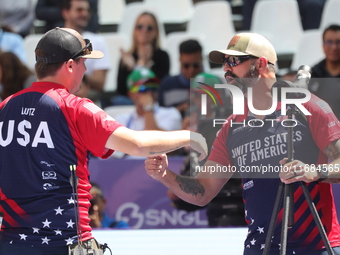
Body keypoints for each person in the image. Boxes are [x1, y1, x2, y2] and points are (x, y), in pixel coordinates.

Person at [0, 27, 207, 254]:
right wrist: (193, 136)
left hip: (11, 244)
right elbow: (137, 144)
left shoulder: (5, 107)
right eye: (83, 62)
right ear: (70, 65)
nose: (86, 68)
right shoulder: (75, 107)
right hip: (66, 244)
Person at [145, 32, 340, 254]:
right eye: (224, 62)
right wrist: (164, 175)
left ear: (261, 63)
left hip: (316, 246)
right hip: (260, 248)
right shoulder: (231, 126)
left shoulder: (308, 107)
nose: (226, 69)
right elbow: (204, 190)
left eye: (234, 61)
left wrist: (313, 172)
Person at [113, 68, 182, 158]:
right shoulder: (121, 120)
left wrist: (148, 108)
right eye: (143, 88)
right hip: (127, 169)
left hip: (159, 169)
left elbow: (157, 145)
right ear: (131, 94)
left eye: (153, 87)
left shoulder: (171, 114)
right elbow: (113, 157)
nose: (149, 92)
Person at [61, 0, 110, 102]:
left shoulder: (98, 41)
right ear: (65, 12)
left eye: (87, 10)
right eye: (79, 10)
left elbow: (100, 83)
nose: (84, 14)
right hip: (58, 96)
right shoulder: (52, 39)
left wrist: (70, 73)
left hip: (88, 98)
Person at [116, 12, 170, 101]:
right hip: (130, 102)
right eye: (140, 27)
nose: (144, 30)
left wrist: (136, 68)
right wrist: (140, 65)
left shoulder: (162, 56)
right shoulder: (127, 57)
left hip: (153, 101)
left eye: (149, 28)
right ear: (134, 30)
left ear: (156, 32)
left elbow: (160, 87)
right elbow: (121, 90)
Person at [157, 39, 204, 116]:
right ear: (179, 61)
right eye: (186, 65)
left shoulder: (214, 82)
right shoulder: (167, 85)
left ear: (202, 60)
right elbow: (160, 117)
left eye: (196, 65)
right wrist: (176, 111)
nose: (191, 70)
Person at [309, 24, 340, 120]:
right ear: (323, 46)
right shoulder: (314, 74)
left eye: (338, 42)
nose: (334, 47)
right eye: (329, 42)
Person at [35, 0, 99, 33]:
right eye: (79, 10)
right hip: (53, 30)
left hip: (85, 32)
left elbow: (93, 13)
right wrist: (68, 13)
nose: (84, 14)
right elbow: (39, 11)